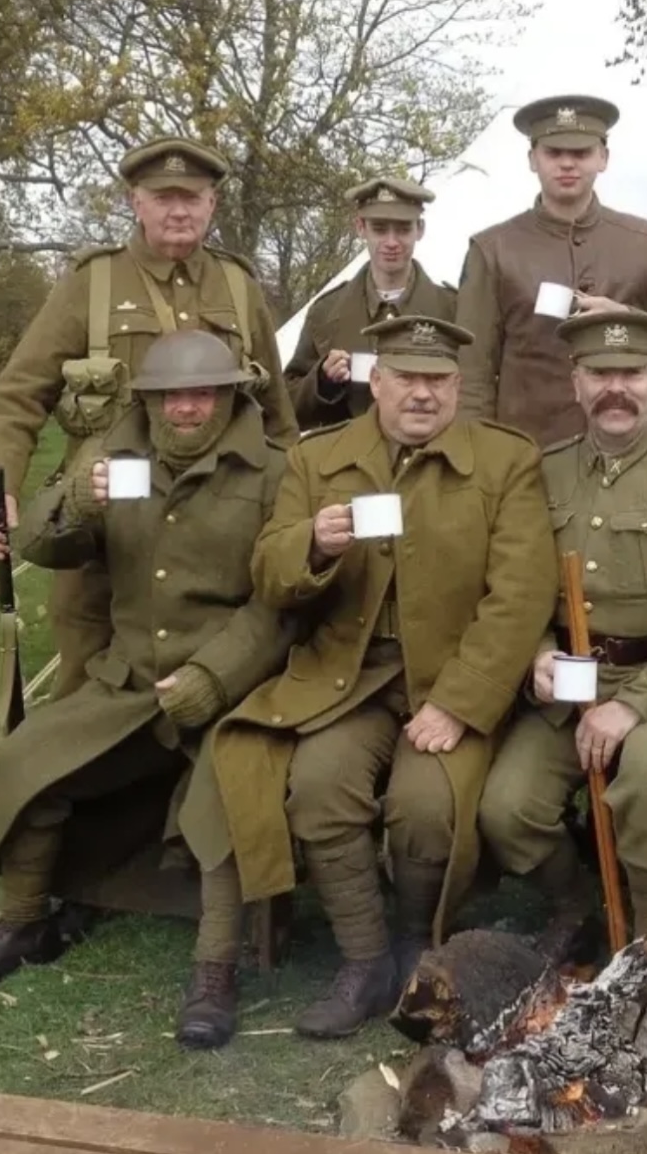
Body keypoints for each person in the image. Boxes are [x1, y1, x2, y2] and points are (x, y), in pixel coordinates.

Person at [0, 331, 295, 1051]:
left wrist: (214, 677)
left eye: (203, 394)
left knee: (226, 796)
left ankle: (215, 970)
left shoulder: (274, 471)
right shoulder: (115, 460)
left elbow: (279, 605)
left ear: (229, 397)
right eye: (170, 396)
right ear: (149, 401)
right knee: (29, 761)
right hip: (129, 678)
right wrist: (75, 502)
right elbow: (40, 545)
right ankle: (24, 921)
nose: (185, 409)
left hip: (235, 683)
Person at [209, 315, 558, 1039]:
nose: (422, 394)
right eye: (406, 379)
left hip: (451, 675)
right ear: (377, 383)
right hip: (350, 675)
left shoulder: (505, 461)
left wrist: (460, 702)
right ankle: (364, 959)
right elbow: (269, 570)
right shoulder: (320, 458)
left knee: (425, 805)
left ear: (458, 387)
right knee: (318, 784)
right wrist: (313, 543)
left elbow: (520, 594)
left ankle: (414, 942)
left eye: (438, 381)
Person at [0, 136, 300, 701]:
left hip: (221, 519)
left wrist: (294, 505)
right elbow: (19, 395)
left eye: (191, 197)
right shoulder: (92, 284)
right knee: (86, 675)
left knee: (228, 670)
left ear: (212, 204)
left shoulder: (239, 287)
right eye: (163, 196)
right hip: (108, 517)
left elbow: (275, 412)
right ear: (136, 202)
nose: (179, 210)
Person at [478, 309, 647, 964]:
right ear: (574, 382)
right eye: (600, 373)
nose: (616, 389)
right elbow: (516, 583)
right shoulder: (543, 471)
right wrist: (537, 653)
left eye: (632, 373)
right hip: (571, 679)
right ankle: (584, 906)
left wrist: (632, 705)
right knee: (507, 811)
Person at [455, 95, 647, 446]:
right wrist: (478, 456)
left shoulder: (645, 242)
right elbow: (473, 372)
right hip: (528, 452)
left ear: (603, 157)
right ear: (532, 159)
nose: (567, 164)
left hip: (635, 450)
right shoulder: (493, 250)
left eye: (580, 153)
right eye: (554, 152)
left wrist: (627, 316)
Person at [283, 177, 457, 429]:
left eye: (403, 229)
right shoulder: (326, 313)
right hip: (349, 450)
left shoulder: (453, 311)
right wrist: (322, 382)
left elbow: (474, 394)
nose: (391, 242)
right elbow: (286, 408)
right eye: (379, 229)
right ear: (360, 227)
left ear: (420, 229)